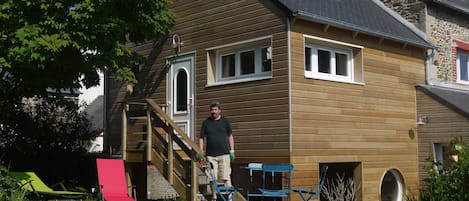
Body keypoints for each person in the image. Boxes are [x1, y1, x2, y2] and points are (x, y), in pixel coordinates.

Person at [198, 101, 235, 201]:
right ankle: (214, 197)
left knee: (226, 176)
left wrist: (232, 151)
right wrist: (201, 152)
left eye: (215, 110)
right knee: (212, 177)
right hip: (210, 155)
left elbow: (230, 136)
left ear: (219, 110)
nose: (213, 112)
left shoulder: (225, 122)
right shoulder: (206, 123)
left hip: (224, 154)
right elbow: (201, 137)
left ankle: (229, 198)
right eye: (212, 110)